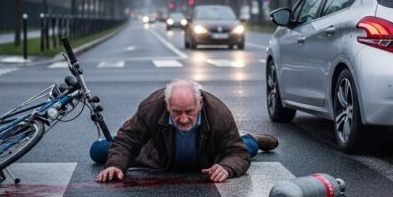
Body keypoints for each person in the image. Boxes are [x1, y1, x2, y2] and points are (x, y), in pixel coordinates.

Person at [96, 80, 278, 183]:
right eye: (177, 112)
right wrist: (115, 165)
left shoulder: (219, 114)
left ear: (200, 104)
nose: (183, 119)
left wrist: (227, 168)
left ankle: (252, 139)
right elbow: (128, 138)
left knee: (246, 147)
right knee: (98, 151)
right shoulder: (151, 107)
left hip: (208, 157)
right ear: (167, 105)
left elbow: (238, 153)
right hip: (160, 156)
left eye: (189, 112)